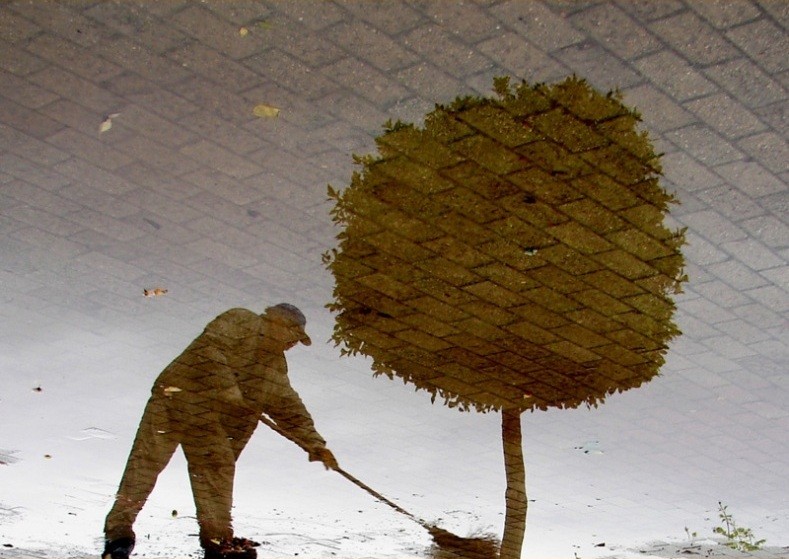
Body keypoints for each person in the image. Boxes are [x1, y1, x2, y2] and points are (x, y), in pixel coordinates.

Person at [102, 303, 337, 559]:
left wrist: (315, 444)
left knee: (217, 466)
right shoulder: (240, 319)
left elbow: (287, 404)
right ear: (277, 322)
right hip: (174, 399)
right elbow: (210, 350)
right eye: (293, 335)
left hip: (205, 418)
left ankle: (217, 542)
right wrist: (229, 390)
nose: (293, 344)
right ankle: (118, 535)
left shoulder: (274, 365)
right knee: (145, 464)